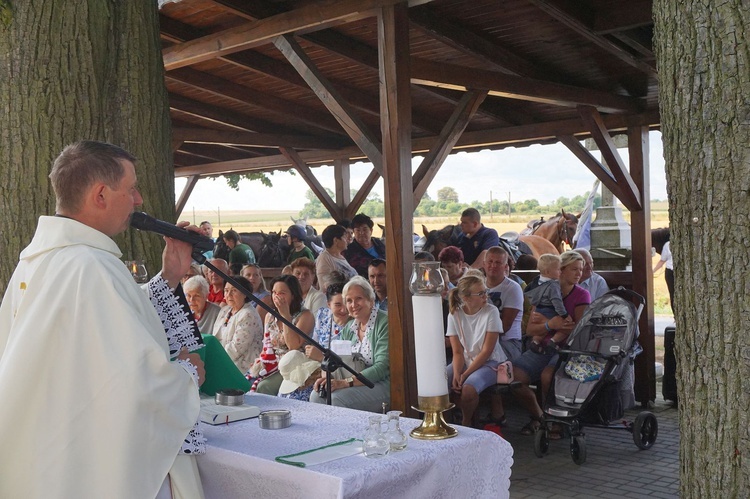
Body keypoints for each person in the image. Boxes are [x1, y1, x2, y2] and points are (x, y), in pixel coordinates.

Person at [0, 141, 205, 498]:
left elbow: (111, 325)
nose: (139, 200)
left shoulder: (39, 261)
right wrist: (186, 374)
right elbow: (135, 382)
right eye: (131, 189)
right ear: (100, 195)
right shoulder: (91, 266)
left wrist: (170, 275)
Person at [512, 250, 591, 439]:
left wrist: (546, 326)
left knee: (549, 375)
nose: (579, 273)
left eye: (580, 270)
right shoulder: (546, 290)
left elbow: (577, 329)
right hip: (542, 344)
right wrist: (551, 324)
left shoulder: (582, 295)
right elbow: (531, 330)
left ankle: (555, 421)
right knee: (513, 378)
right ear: (560, 271)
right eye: (574, 269)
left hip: (567, 348)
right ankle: (540, 416)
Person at [311, 276, 390, 412]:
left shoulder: (384, 322)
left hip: (381, 384)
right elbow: (337, 360)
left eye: (359, 298)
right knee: (317, 395)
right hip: (355, 383)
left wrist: (346, 383)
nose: (353, 305)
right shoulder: (350, 327)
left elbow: (382, 367)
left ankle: (348, 433)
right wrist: (327, 378)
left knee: (337, 398)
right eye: (349, 300)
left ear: (371, 301)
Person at [445, 274, 508, 427]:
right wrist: (457, 372)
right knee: (441, 381)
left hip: (491, 362)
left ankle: (466, 422)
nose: (485, 296)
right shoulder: (455, 314)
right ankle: (444, 421)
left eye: (485, 291)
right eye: (480, 293)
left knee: (468, 388)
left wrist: (464, 374)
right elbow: (458, 352)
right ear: (465, 298)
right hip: (466, 359)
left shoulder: (491, 311)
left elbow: (487, 351)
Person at [249, 275, 315, 395]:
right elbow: (266, 345)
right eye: (274, 292)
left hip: (293, 365)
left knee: (264, 387)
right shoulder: (270, 316)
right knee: (246, 380)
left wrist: (285, 316)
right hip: (272, 363)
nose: (276, 297)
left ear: (293, 295)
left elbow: (293, 345)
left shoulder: (305, 315)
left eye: (282, 293)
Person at [211, 276, 264, 373]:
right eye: (226, 291)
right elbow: (215, 338)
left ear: (244, 294)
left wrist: (215, 362)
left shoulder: (248, 314)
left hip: (243, 366)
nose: (229, 294)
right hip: (222, 360)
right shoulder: (225, 310)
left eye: (234, 290)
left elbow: (236, 349)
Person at [524, 254, 573, 354]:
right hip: (550, 309)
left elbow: (528, 291)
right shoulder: (553, 285)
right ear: (548, 272)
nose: (560, 272)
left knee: (542, 326)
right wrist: (564, 314)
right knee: (565, 324)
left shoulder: (536, 281)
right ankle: (554, 341)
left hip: (538, 308)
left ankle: (536, 341)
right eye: (558, 269)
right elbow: (557, 301)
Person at [483, 247, 524, 361]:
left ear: (506, 267)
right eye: (490, 262)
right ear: (484, 264)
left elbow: (504, 326)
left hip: (508, 343)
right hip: (480, 339)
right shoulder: (478, 285)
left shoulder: (513, 289)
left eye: (498, 263)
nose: (493, 266)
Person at [306, 282, 352, 361]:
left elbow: (349, 360)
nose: (344, 309)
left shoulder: (357, 324)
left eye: (346, 303)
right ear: (329, 304)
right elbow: (315, 342)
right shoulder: (323, 315)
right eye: (338, 305)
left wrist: (322, 357)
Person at [316, 224, 357, 292]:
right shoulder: (324, 258)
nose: (346, 240)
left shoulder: (340, 256)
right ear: (336, 240)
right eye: (344, 237)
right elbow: (325, 287)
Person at [343, 213, 386, 277]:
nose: (361, 233)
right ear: (354, 232)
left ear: (371, 231)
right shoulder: (348, 251)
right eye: (358, 230)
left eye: (365, 229)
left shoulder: (379, 243)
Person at [653, 239, 674, 313]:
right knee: (672, 294)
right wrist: (653, 271)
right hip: (670, 272)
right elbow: (662, 260)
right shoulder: (667, 245)